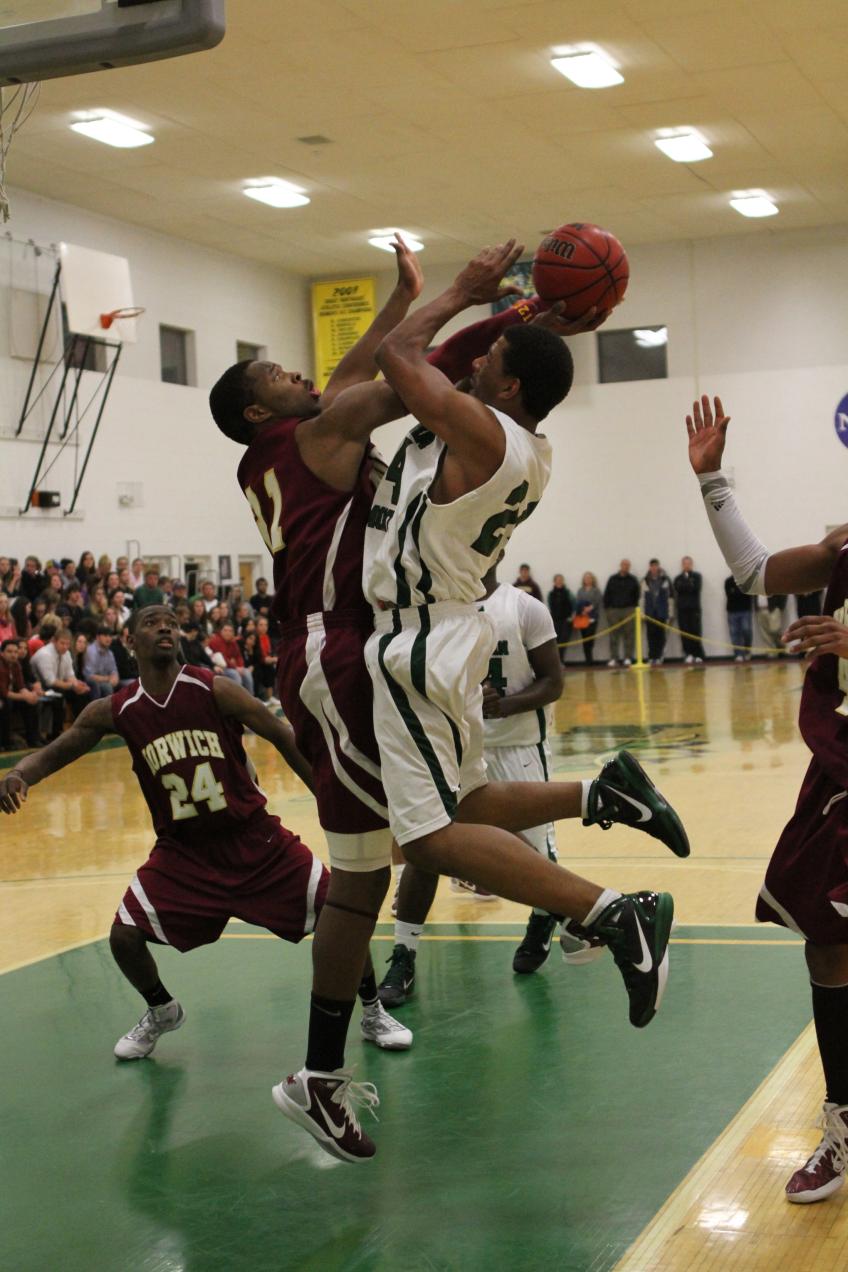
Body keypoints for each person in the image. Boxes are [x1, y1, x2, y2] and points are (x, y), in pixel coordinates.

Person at [210, 234, 616, 1161]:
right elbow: (405, 374)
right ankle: (600, 907)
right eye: (275, 372)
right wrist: (507, 309)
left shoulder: (298, 429)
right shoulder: (318, 432)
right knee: (427, 833)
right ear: (253, 407)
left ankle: (316, 1076)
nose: (296, 373)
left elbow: (368, 360)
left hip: (350, 649)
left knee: (361, 873)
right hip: (340, 652)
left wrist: (407, 296)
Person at [361, 243, 684, 1110]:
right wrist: (520, 319)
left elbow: (401, 356)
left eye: (488, 362)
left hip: (420, 642)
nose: (472, 362)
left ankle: (614, 911)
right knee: (462, 808)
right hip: (448, 637)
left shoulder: (483, 433)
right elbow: (439, 373)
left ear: (504, 392)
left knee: (427, 839)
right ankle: (601, 795)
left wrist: (464, 293)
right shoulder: (501, 431)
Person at [0, 606, 407, 1081]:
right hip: (184, 854)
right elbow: (63, 746)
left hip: (256, 842)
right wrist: (19, 772)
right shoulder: (119, 709)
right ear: (130, 642)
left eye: (171, 622)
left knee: (342, 915)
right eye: (152, 622)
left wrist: (334, 797)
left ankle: (373, 1010)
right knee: (124, 937)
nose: (166, 627)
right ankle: (162, 1010)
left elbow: (279, 733)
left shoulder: (211, 687)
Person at [686, 393, 848, 1204]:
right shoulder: (844, 545)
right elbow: (754, 574)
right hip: (841, 771)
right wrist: (714, 480)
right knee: (825, 938)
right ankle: (845, 1122)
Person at [31, 629, 90, 723]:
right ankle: (54, 734)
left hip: (57, 685)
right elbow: (50, 681)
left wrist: (78, 685)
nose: (65, 647)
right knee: (58, 696)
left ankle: (80, 725)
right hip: (40, 686)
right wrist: (73, 686)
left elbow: (70, 675)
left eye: (68, 644)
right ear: (54, 641)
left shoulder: (66, 653)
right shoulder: (45, 654)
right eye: (62, 643)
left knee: (82, 693)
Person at [0, 638, 41, 749]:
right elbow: (4, 693)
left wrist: (30, 696)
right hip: (3, 697)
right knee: (5, 704)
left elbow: (21, 686)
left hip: (9, 696)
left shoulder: (16, 665)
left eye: (15, 652)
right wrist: (25, 696)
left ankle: (33, 739)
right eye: (9, 651)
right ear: (2, 653)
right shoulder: (1, 666)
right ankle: (5, 742)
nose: (13, 655)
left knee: (31, 703)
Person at [603, 560, 639, 667]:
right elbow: (607, 594)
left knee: (629, 635)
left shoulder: (633, 580)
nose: (626, 567)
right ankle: (614, 658)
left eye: (628, 565)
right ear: (620, 566)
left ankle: (628, 657)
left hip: (629, 610)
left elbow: (637, 595)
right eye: (624, 565)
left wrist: (634, 608)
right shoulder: (612, 579)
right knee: (614, 635)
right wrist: (608, 609)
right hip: (613, 610)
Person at [208, 620, 254, 695]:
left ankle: (251, 699)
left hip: (231, 666)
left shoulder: (233, 641)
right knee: (234, 674)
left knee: (246, 672)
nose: (228, 633)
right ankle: (237, 700)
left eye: (230, 631)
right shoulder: (216, 641)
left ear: (233, 633)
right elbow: (224, 659)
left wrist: (241, 666)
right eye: (225, 630)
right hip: (220, 667)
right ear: (221, 631)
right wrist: (236, 667)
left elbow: (238, 656)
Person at [673, 556, 705, 664]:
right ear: (682, 565)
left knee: (695, 631)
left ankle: (698, 654)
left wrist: (686, 586)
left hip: (694, 609)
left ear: (691, 564)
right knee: (684, 632)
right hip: (682, 609)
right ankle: (688, 654)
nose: (686, 565)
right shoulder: (677, 578)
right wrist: (688, 585)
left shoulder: (697, 576)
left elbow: (696, 588)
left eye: (688, 563)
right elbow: (678, 589)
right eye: (684, 563)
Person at [642, 559, 673, 666]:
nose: (654, 568)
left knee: (660, 635)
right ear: (650, 567)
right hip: (649, 612)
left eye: (656, 566)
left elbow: (670, 597)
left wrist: (670, 613)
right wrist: (642, 613)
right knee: (650, 635)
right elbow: (641, 598)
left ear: (658, 567)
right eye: (652, 566)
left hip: (662, 612)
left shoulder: (665, 580)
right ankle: (652, 657)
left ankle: (660, 656)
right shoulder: (645, 580)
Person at [574, 571, 602, 665]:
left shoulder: (596, 590)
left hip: (593, 617)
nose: (587, 580)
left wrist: (590, 607)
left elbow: (598, 601)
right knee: (584, 639)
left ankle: (590, 659)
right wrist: (582, 609)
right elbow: (577, 601)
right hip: (582, 617)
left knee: (590, 638)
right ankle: (587, 660)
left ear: (592, 579)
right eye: (586, 578)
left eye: (589, 578)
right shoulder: (580, 590)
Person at [83, 626, 119, 698]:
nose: (108, 638)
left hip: (105, 681)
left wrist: (115, 678)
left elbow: (114, 670)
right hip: (91, 682)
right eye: (105, 636)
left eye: (110, 636)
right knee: (107, 687)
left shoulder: (110, 653)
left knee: (129, 685)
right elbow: (89, 676)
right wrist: (108, 679)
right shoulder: (91, 651)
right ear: (97, 637)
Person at [725, 574, 754, 661]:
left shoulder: (746, 580)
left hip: (745, 610)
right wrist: (740, 592)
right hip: (732, 611)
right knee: (734, 634)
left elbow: (748, 593)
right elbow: (729, 594)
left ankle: (747, 651)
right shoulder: (728, 581)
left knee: (746, 630)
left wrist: (736, 592)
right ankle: (738, 654)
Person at [547, 574, 573, 666]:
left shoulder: (568, 593)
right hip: (555, 621)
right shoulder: (551, 594)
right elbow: (550, 606)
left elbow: (573, 605)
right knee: (555, 642)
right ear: (554, 581)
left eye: (561, 579)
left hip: (566, 621)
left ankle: (561, 660)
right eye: (557, 580)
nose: (559, 581)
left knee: (563, 641)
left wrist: (571, 616)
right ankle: (556, 662)